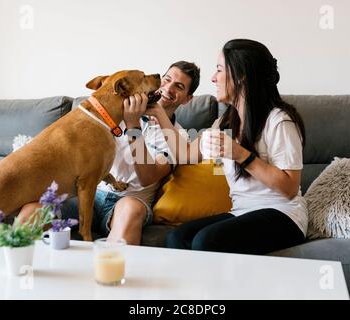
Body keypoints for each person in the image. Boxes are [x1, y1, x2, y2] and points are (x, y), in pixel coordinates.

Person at [145, 39, 307, 255]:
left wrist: (240, 154)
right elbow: (184, 154)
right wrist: (157, 111)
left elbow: (289, 188)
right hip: (242, 211)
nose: (213, 78)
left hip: (284, 214)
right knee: (178, 237)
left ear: (241, 75)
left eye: (219, 70)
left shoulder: (279, 120)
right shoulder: (224, 123)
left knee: (206, 241)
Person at [18, 61, 200, 245]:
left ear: (187, 98)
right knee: (33, 210)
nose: (168, 88)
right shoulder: (115, 109)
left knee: (130, 209)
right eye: (167, 79)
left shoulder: (178, 137)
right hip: (89, 190)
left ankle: (109, 272)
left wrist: (133, 126)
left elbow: (148, 176)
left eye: (179, 87)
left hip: (127, 201)